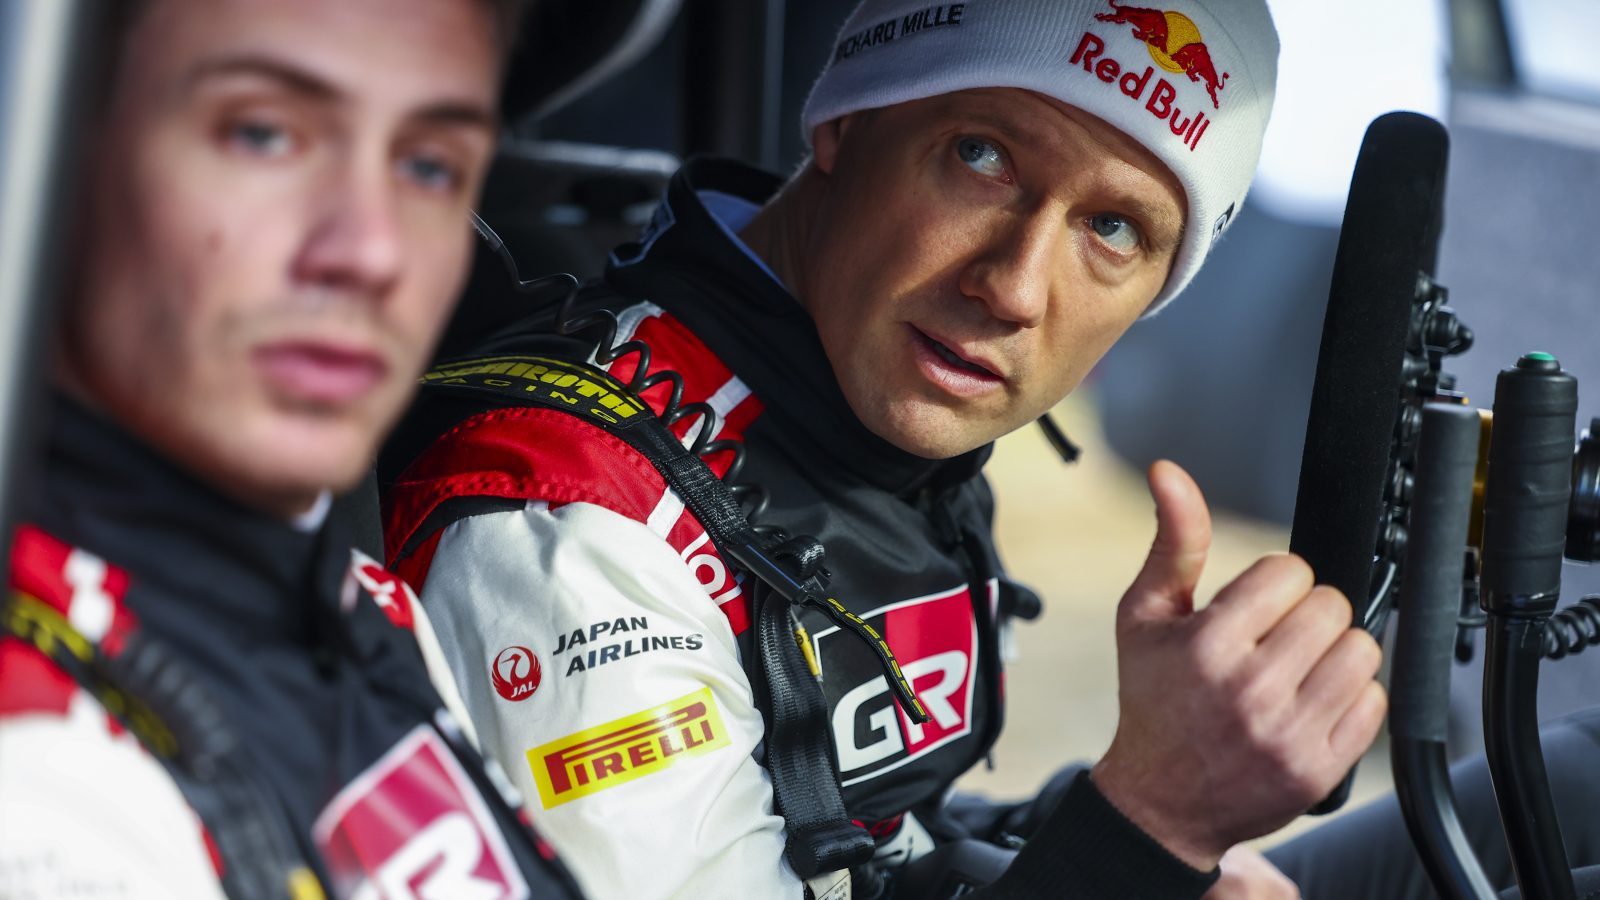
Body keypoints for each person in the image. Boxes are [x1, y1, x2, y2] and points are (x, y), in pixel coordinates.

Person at [381, 1, 1581, 897]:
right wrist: (1148, 828)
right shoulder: (570, 527)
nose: (1012, 286)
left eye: (1112, 228)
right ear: (845, 122)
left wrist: (1097, 820)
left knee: (1577, 790)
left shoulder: (867, 419)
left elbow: (870, 839)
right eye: (982, 156)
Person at [0, 1, 587, 897]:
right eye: (262, 135)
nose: (372, 250)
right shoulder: (39, 773)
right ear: (55, 148)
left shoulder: (362, 602)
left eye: (429, 165)